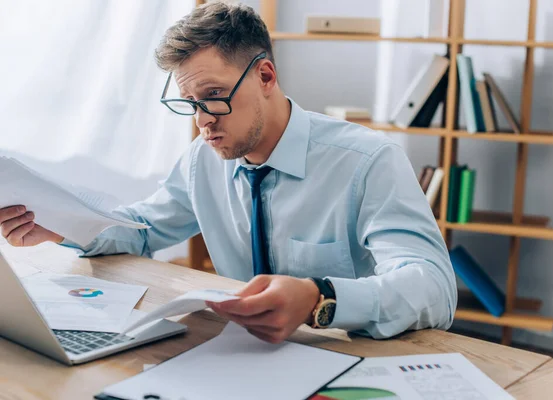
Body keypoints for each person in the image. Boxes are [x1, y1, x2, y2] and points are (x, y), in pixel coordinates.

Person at [0, 1, 456, 343]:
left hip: (344, 356)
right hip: (241, 355)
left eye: (214, 95)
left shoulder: (368, 161)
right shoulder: (204, 159)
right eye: (190, 104)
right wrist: (58, 227)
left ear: (265, 76)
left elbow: (434, 288)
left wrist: (320, 297)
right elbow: (142, 230)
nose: (202, 120)